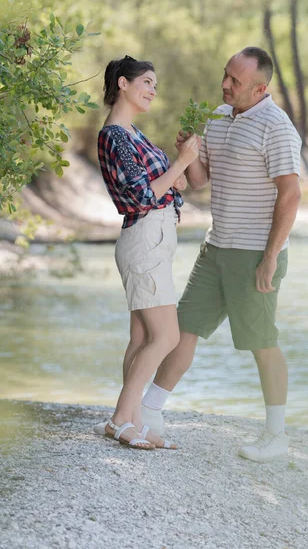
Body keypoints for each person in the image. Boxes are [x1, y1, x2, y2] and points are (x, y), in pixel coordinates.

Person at [140, 46, 302, 461]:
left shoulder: (276, 127)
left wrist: (270, 257)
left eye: (236, 81)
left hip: (254, 254)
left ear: (261, 88)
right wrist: (186, 155)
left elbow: (291, 193)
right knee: (182, 330)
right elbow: (199, 180)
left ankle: (276, 436)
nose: (226, 85)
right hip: (216, 247)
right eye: (226, 75)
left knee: (261, 342)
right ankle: (148, 411)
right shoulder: (217, 115)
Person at [94, 55, 201, 450]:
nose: (153, 90)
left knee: (142, 337)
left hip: (152, 239)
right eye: (147, 82)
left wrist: (182, 167)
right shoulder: (115, 135)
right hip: (144, 238)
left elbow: (169, 188)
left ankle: (134, 422)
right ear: (123, 84)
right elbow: (141, 197)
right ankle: (121, 418)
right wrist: (181, 163)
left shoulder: (132, 133)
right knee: (167, 335)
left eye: (155, 84)